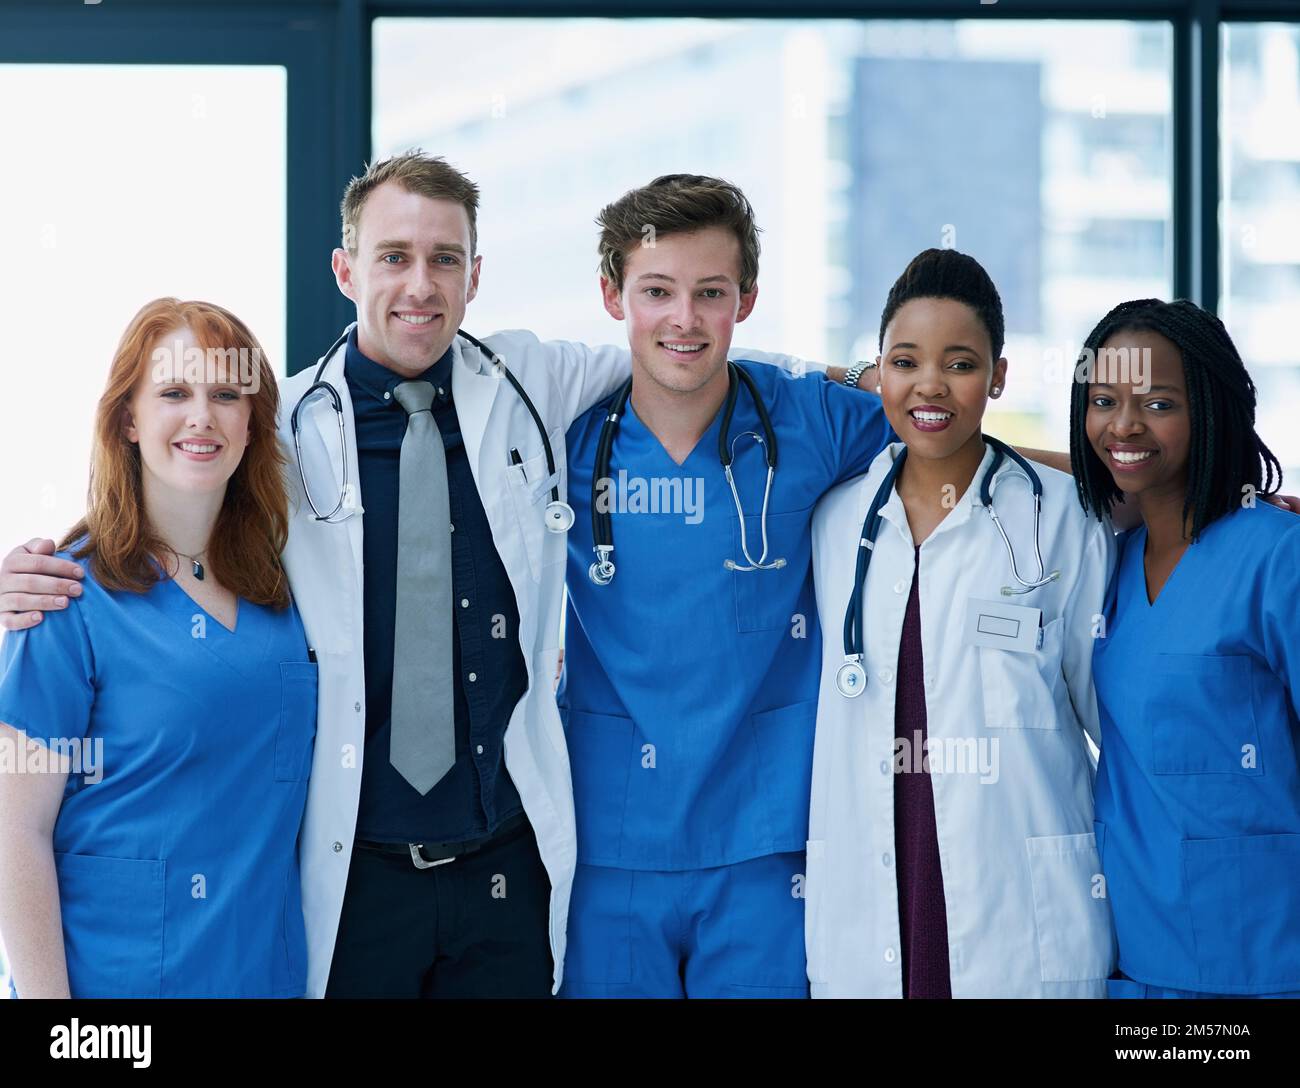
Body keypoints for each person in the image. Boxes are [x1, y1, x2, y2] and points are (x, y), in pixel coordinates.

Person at [0, 152, 794, 998]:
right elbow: (157, 492)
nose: (420, 283)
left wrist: (869, 376)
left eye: (444, 259)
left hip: (503, 866)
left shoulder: (527, 382)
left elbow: (683, 349)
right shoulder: (278, 438)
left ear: (475, 276)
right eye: (394, 257)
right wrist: (27, 571)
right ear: (346, 270)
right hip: (359, 876)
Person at [803, 249, 1116, 998]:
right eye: (905, 361)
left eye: (961, 362)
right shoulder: (836, 520)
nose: (931, 385)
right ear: (877, 371)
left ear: (998, 377)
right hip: (876, 905)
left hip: (1021, 913)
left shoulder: (1060, 518)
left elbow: (1112, 717)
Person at [0, 298, 315, 998]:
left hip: (262, 978)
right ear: (129, 420)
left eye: (225, 394)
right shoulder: (62, 597)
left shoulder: (284, 592)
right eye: (173, 392)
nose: (201, 416)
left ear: (250, 422)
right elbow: (13, 835)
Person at [1070, 298, 1300, 999]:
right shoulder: (1109, 558)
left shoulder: (1276, 558)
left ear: (1212, 407)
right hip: (1133, 960)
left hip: (1264, 964)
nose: (1125, 425)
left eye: (1158, 402)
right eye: (1103, 400)